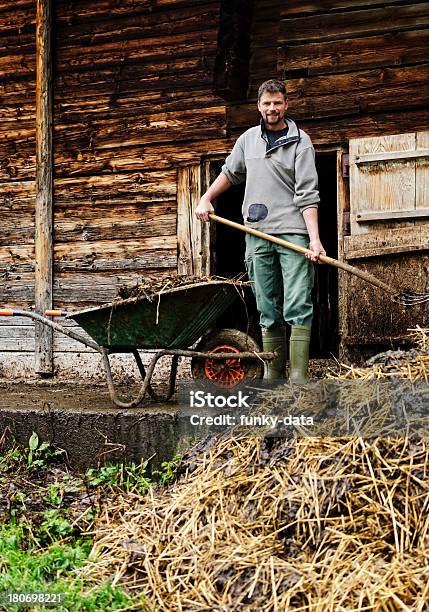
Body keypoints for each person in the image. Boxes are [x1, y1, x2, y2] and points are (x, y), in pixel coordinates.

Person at [195, 79, 325, 383]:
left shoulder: (300, 141)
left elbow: (308, 194)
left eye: (277, 103)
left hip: (293, 233)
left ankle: (299, 377)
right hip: (257, 233)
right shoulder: (248, 140)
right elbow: (230, 173)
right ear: (259, 106)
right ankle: (274, 374)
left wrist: (315, 240)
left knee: (297, 302)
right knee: (266, 303)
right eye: (267, 103)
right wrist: (206, 197)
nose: (272, 108)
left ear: (286, 105)